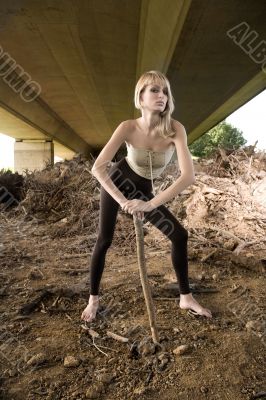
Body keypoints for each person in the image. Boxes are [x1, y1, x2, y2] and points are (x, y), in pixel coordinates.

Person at [81, 70, 212, 323]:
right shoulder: (127, 127)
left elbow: (188, 177)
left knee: (179, 235)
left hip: (145, 192)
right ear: (140, 97)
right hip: (118, 182)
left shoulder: (176, 130)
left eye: (164, 91)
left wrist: (149, 203)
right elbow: (98, 168)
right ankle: (93, 300)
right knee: (104, 240)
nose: (161, 95)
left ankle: (186, 297)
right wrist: (123, 202)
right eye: (154, 90)